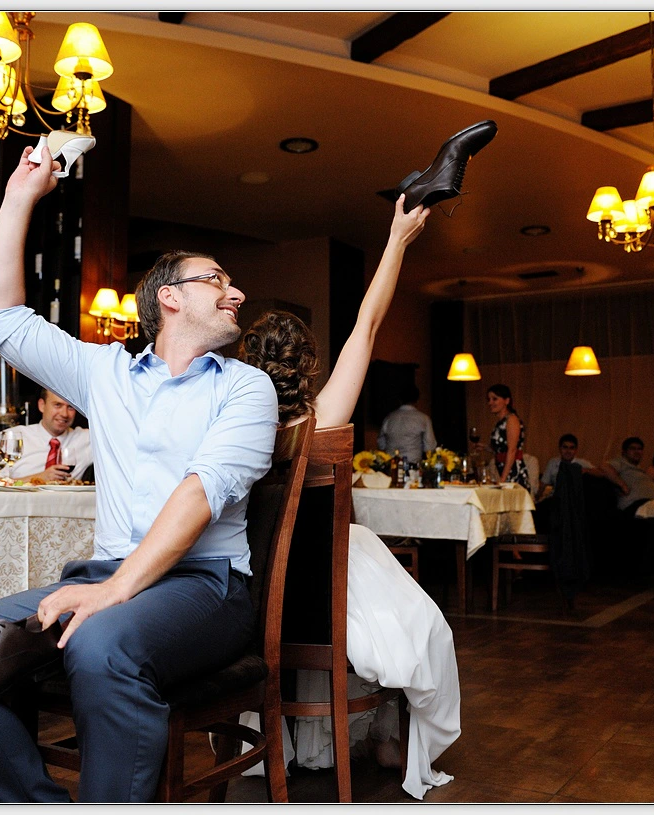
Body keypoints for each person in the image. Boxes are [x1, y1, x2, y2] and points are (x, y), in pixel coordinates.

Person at [0, 144, 279, 803]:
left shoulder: (246, 387)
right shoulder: (106, 372)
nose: (235, 291)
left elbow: (199, 493)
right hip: (106, 575)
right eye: (216, 279)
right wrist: (19, 196)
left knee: (99, 643)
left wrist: (114, 592)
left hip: (205, 587)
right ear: (169, 297)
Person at [239, 195, 459, 801]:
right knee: (399, 615)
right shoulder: (323, 417)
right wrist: (397, 240)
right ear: (308, 365)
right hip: (321, 588)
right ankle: (387, 735)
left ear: (247, 364)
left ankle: (288, 735)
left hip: (259, 593)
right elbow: (368, 323)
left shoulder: (234, 426)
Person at [9, 388, 94, 482]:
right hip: (22, 492)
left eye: (70, 407)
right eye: (57, 405)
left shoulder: (87, 439)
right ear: (42, 405)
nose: (64, 414)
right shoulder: (14, 437)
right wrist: (39, 478)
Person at [537, 433, 617, 501]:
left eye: (571, 448)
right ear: (560, 448)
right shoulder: (553, 462)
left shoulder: (581, 463)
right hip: (556, 499)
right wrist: (536, 498)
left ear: (576, 450)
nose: (568, 451)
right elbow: (543, 483)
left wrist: (586, 470)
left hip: (576, 501)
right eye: (565, 447)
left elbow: (601, 473)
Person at [603, 437, 654, 518]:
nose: (637, 452)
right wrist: (622, 485)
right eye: (632, 449)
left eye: (639, 449)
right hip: (639, 505)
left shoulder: (638, 469)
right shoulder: (620, 462)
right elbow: (605, 467)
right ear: (624, 452)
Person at [377, 383, 436, 464]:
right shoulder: (424, 418)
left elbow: (381, 444)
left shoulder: (389, 418)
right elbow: (430, 446)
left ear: (399, 400)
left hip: (391, 464)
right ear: (417, 400)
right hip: (412, 464)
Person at [485, 383, 529, 489]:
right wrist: (485, 447)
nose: (490, 403)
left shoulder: (511, 419)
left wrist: (503, 479)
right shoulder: (501, 422)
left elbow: (512, 450)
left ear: (507, 401)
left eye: (494, 399)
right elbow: (502, 449)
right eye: (489, 399)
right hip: (503, 469)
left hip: (513, 471)